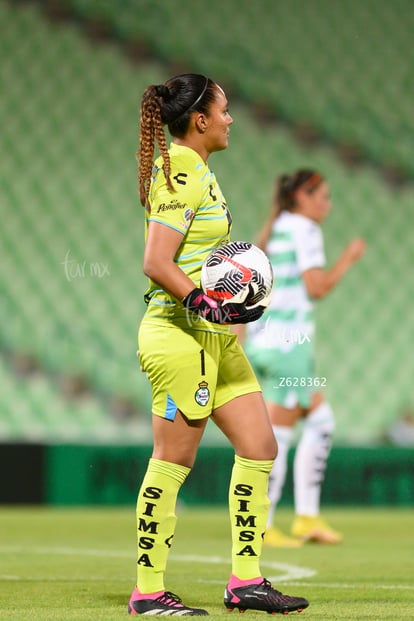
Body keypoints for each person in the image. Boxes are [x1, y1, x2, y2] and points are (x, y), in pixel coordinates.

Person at [128, 74, 309, 615]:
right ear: (200, 119)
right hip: (179, 336)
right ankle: (148, 592)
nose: (231, 119)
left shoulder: (201, 171)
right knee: (173, 460)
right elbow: (156, 263)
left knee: (260, 445)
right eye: (224, 110)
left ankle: (246, 583)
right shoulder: (183, 168)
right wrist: (203, 302)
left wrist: (231, 294)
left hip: (214, 339)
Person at [239, 170, 366, 548]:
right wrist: (348, 258)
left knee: (321, 420)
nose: (327, 204)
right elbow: (317, 287)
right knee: (278, 434)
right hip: (289, 344)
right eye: (322, 196)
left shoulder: (278, 225)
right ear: (302, 198)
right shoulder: (306, 230)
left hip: (267, 340)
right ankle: (263, 521)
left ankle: (306, 518)